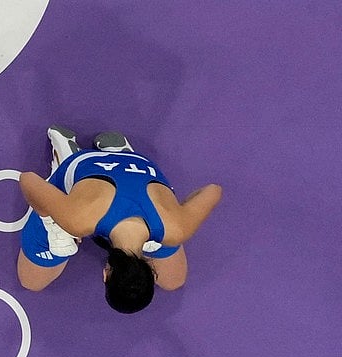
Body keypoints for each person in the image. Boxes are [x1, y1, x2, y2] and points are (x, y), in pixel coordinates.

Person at [17, 127, 222, 313]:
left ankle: (119, 152)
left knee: (174, 280)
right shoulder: (76, 219)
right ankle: (69, 155)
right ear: (106, 274)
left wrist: (177, 211)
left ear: (151, 271)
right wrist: (54, 224)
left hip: (141, 170)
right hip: (84, 167)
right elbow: (28, 180)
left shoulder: (177, 229)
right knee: (31, 281)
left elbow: (213, 191)